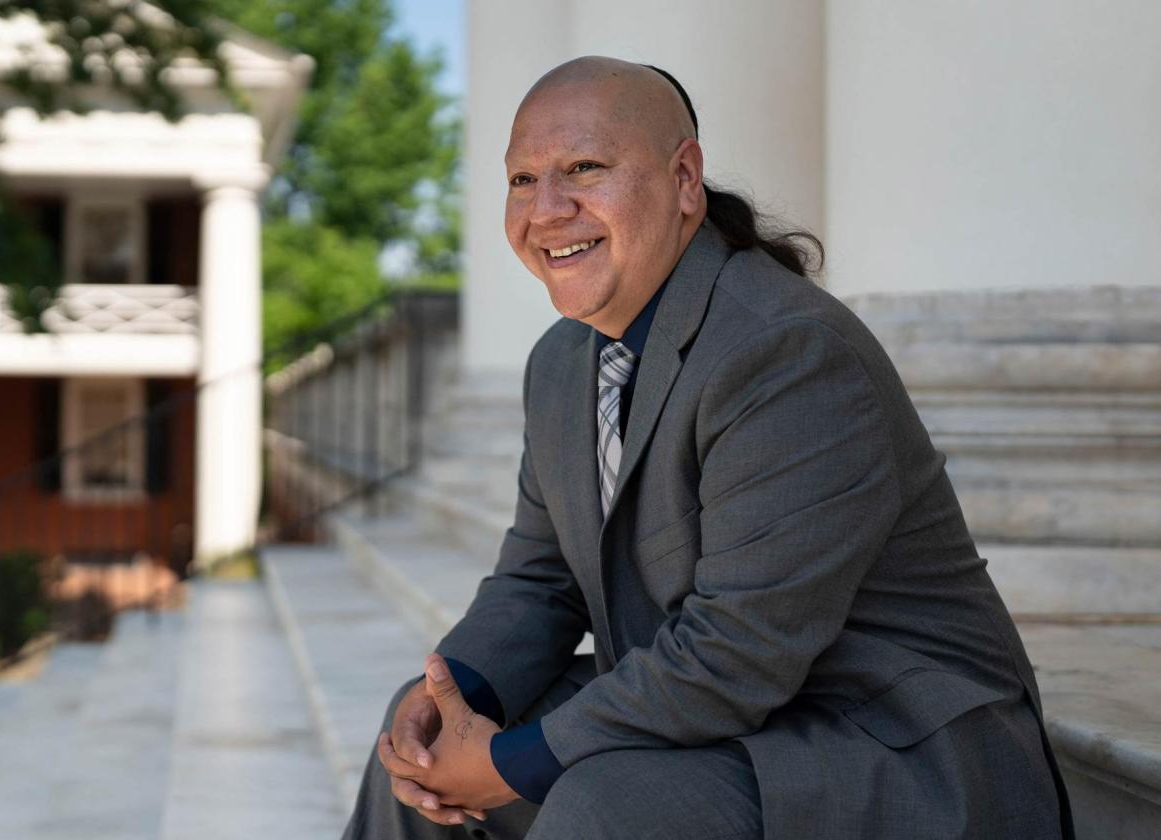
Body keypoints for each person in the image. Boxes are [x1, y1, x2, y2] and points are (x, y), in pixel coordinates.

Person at [342, 56, 1073, 839]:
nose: (547, 209)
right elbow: (539, 581)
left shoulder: (786, 351)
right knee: (412, 750)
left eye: (584, 168)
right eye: (522, 180)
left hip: (885, 743)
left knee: (607, 805)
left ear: (684, 178)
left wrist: (511, 761)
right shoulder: (560, 363)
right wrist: (455, 696)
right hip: (743, 719)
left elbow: (739, 650)